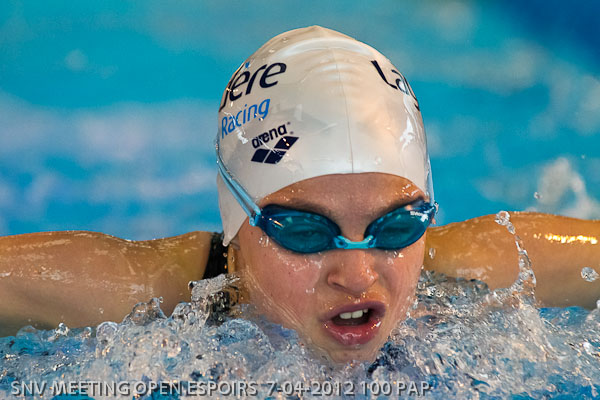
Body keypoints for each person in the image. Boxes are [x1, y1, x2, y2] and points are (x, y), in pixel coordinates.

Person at [0, 26, 598, 363]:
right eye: (307, 232)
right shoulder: (149, 298)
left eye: (396, 227)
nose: (358, 275)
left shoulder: (473, 279)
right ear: (238, 222)